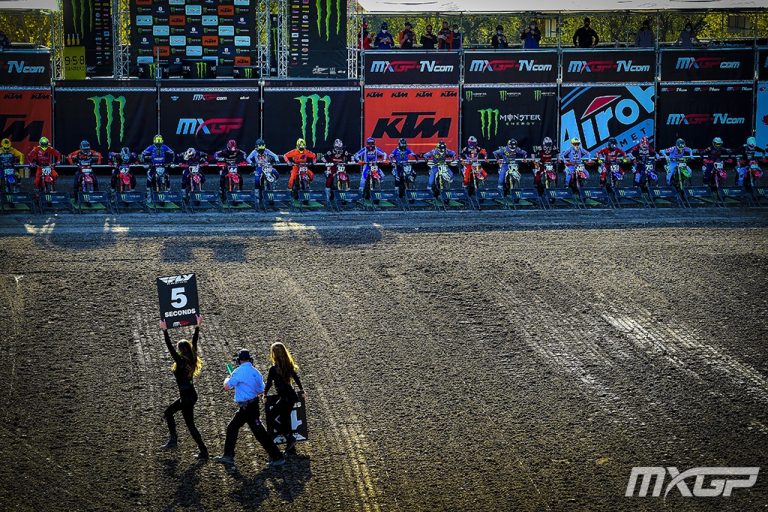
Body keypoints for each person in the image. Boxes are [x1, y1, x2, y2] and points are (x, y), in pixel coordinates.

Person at [213, 349, 285, 467]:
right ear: (250, 359)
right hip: (253, 406)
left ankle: (229, 456)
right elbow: (261, 390)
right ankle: (276, 456)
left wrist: (227, 378)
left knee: (238, 429)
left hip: (246, 408)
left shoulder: (237, 372)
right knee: (250, 430)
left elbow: (227, 387)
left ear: (239, 360)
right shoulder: (256, 372)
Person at [160, 315, 209, 460]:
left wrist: (164, 330)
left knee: (189, 424)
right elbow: (194, 342)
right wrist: (197, 326)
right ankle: (174, 440)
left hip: (186, 397)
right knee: (169, 413)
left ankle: (203, 451)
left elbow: (169, 347)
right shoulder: (192, 358)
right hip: (190, 395)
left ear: (181, 350)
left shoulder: (180, 361)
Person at [264, 342, 305, 455]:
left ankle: (289, 438)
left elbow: (269, 383)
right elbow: (296, 378)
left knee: (273, 415)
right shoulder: (288, 365)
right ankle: (291, 447)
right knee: (285, 418)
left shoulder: (273, 369)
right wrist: (302, 390)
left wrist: (265, 394)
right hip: (291, 396)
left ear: (273, 354)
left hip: (284, 397)